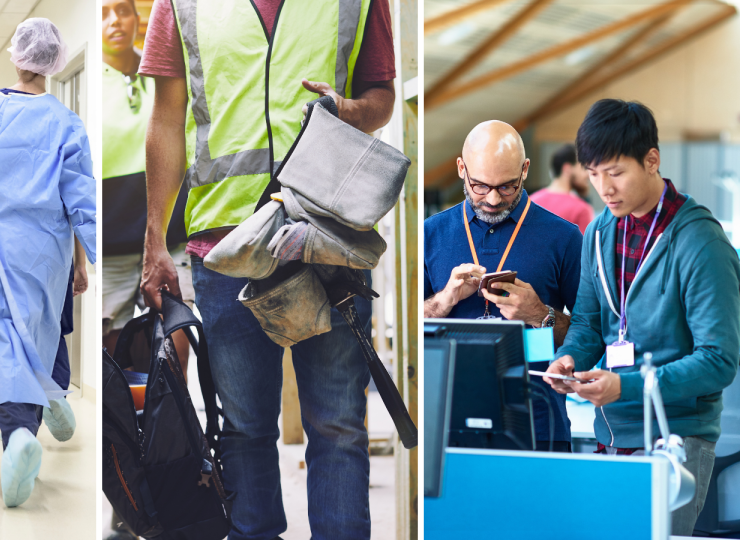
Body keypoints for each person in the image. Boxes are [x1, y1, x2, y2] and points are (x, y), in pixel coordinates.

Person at [138, 1, 395, 538]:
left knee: (340, 426)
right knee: (244, 428)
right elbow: (166, 116)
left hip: (329, 235)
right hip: (225, 245)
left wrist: (346, 111)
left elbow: (381, 99)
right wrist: (154, 240)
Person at [544, 99, 740, 535]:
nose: (603, 188)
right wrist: (569, 358)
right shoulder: (598, 232)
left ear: (652, 160)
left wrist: (625, 385)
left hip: (677, 437)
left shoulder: (701, 244)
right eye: (593, 174)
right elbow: (588, 325)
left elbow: (719, 359)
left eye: (615, 173)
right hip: (612, 433)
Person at [0, 18, 97, 508]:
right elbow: (83, 201)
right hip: (47, 251)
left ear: (16, 55)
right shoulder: (67, 123)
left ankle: (18, 437)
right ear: (53, 63)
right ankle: (44, 408)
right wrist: (90, 256)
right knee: (37, 335)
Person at [423, 120, 582, 452]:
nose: (493, 199)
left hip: (539, 426)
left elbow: (592, 335)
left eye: (507, 186)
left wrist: (541, 315)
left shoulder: (563, 238)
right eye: (480, 186)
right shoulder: (430, 234)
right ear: (461, 168)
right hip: (447, 425)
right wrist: (440, 304)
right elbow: (408, 337)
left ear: (525, 170)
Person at [100, 0, 193, 381]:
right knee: (118, 366)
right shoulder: (94, 83)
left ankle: (177, 432)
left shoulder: (166, 71)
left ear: (138, 17)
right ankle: (125, 440)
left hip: (171, 238)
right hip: (111, 249)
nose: (114, 21)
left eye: (122, 10)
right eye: (103, 13)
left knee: (178, 331)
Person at [531, 143, 595, 235]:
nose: (587, 175)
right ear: (567, 169)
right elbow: (586, 248)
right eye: (583, 168)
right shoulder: (582, 210)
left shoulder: (531, 201)